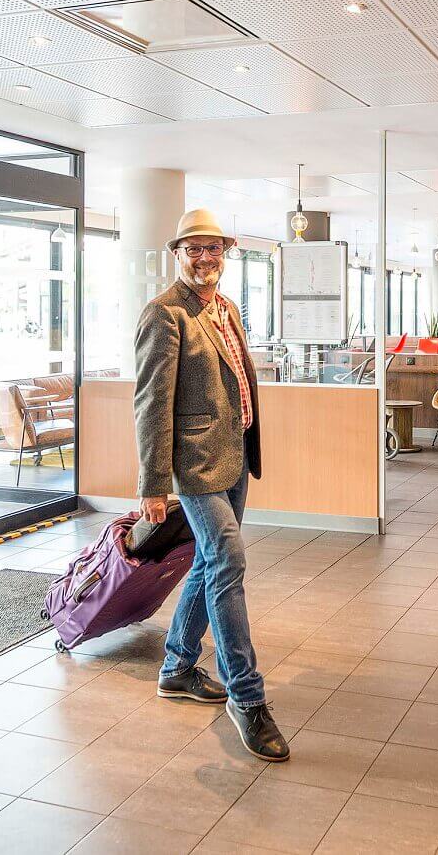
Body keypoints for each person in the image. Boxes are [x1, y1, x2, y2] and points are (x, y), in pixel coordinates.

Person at [134, 208, 289, 763]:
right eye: (194, 249)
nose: (205, 258)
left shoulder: (224, 307)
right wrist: (153, 484)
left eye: (213, 249)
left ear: (225, 253)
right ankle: (247, 697)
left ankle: (176, 668)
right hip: (196, 464)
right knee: (228, 563)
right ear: (178, 253)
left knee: (208, 561)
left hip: (235, 456)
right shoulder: (164, 313)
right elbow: (152, 405)